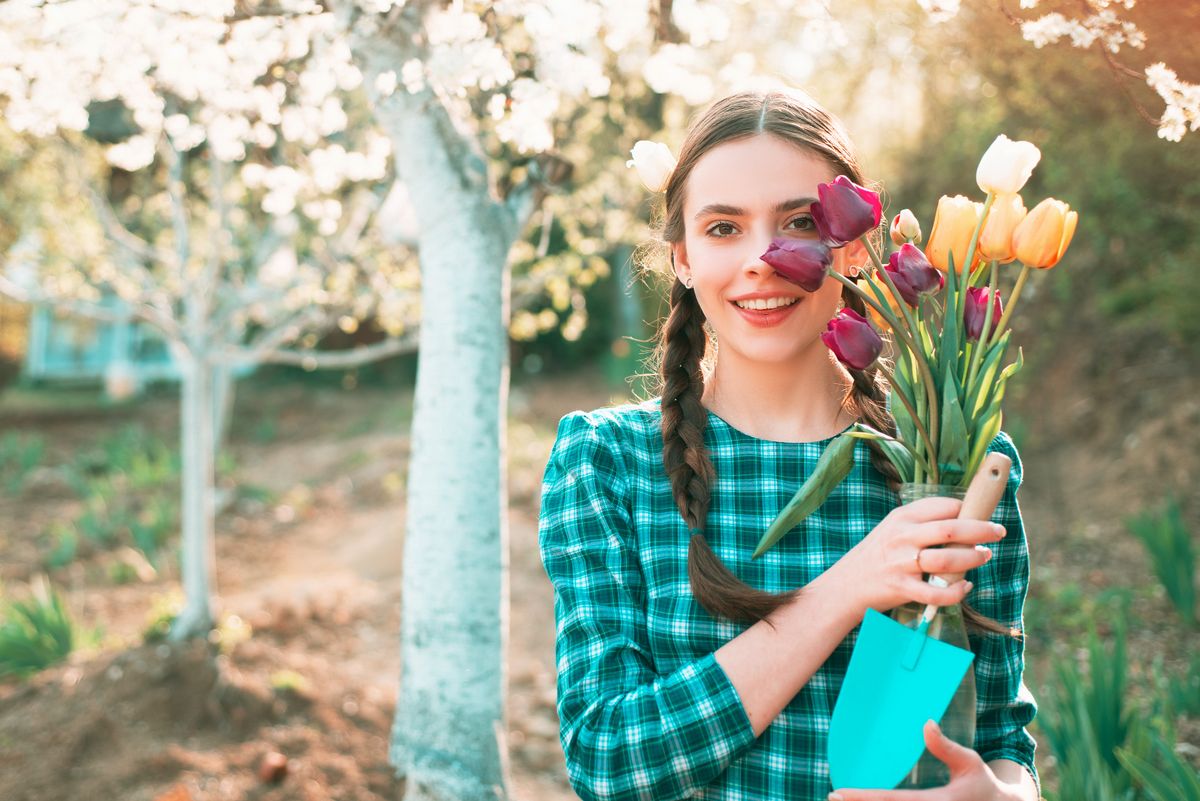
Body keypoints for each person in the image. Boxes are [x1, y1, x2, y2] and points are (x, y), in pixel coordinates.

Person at [537, 90, 1040, 801]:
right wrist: (845, 588)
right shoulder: (609, 463)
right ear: (681, 257)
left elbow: (1001, 738)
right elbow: (609, 761)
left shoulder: (953, 466)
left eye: (800, 222)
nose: (764, 259)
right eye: (723, 229)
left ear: (857, 246)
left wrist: (1004, 796)